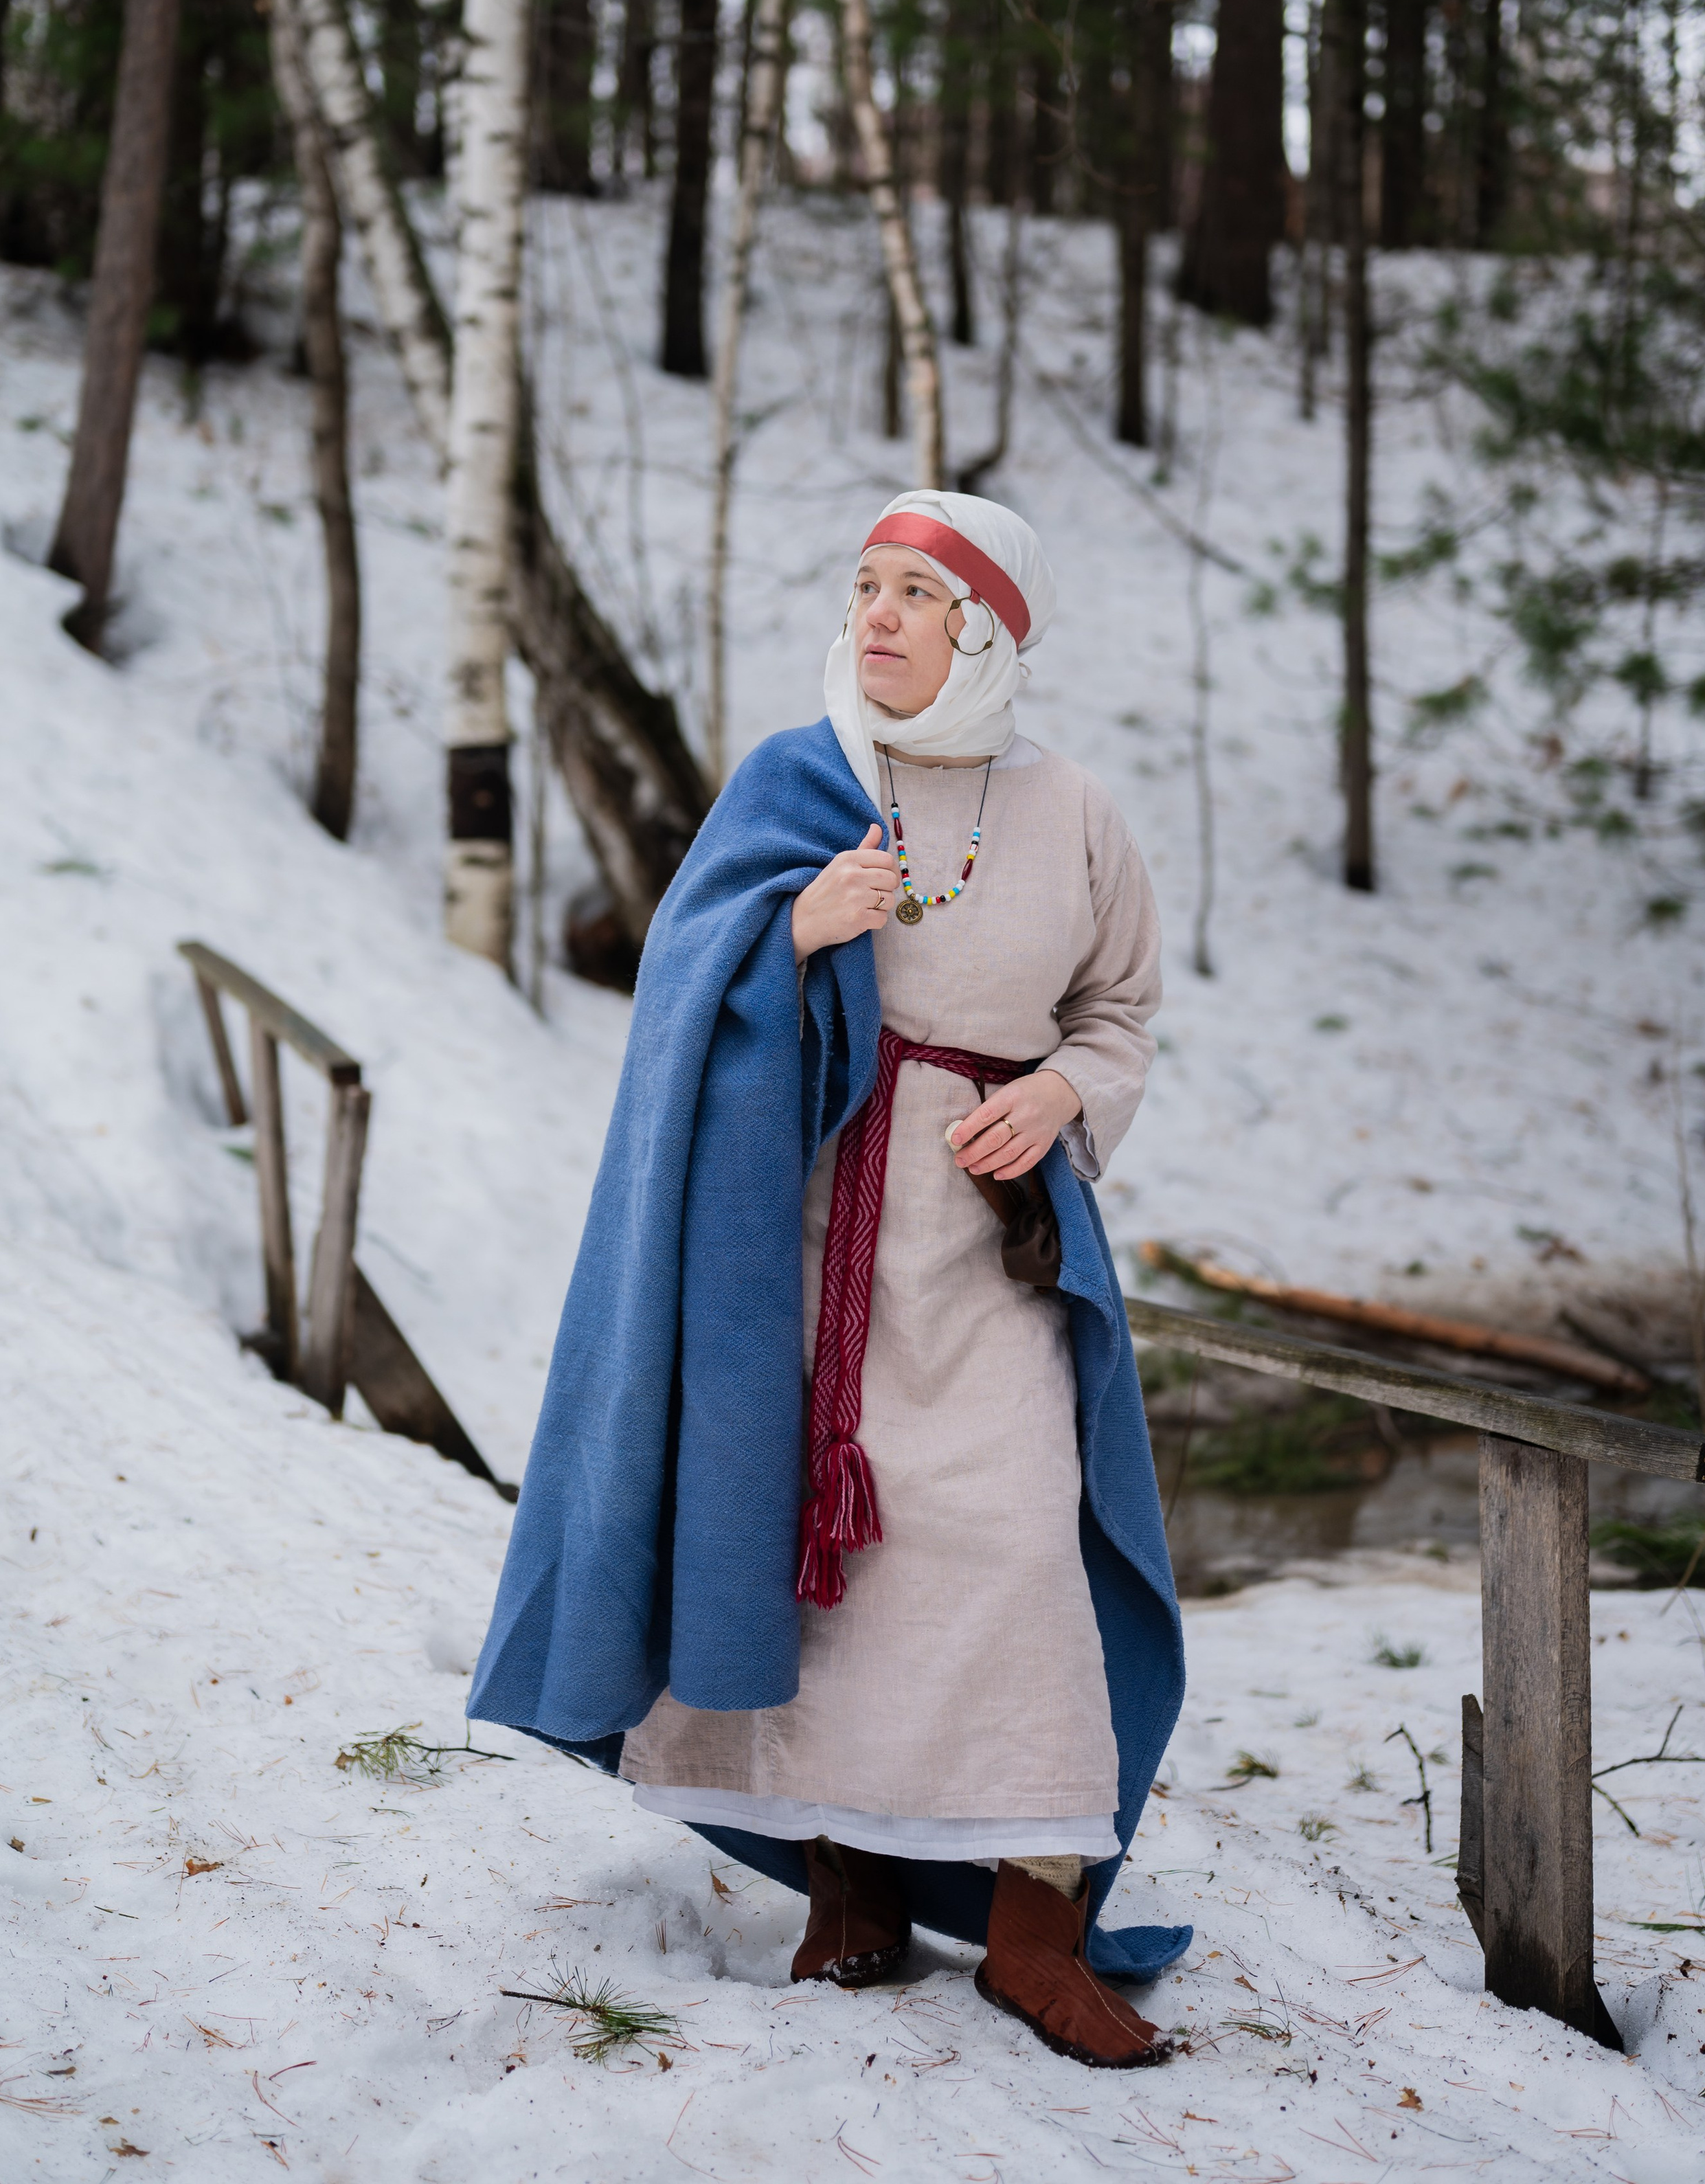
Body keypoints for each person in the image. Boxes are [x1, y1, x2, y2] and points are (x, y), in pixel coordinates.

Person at [470, 491, 1188, 2069]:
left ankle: (1034, 1928)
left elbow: (1119, 1012)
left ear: (984, 633)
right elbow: (679, 981)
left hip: (993, 1247)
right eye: (864, 584)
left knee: (1017, 1553)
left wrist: (1057, 1093)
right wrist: (791, 928)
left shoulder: (1072, 811)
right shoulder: (799, 781)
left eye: (917, 593)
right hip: (796, 1248)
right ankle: (847, 1886)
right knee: (823, 1563)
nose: (876, 613)